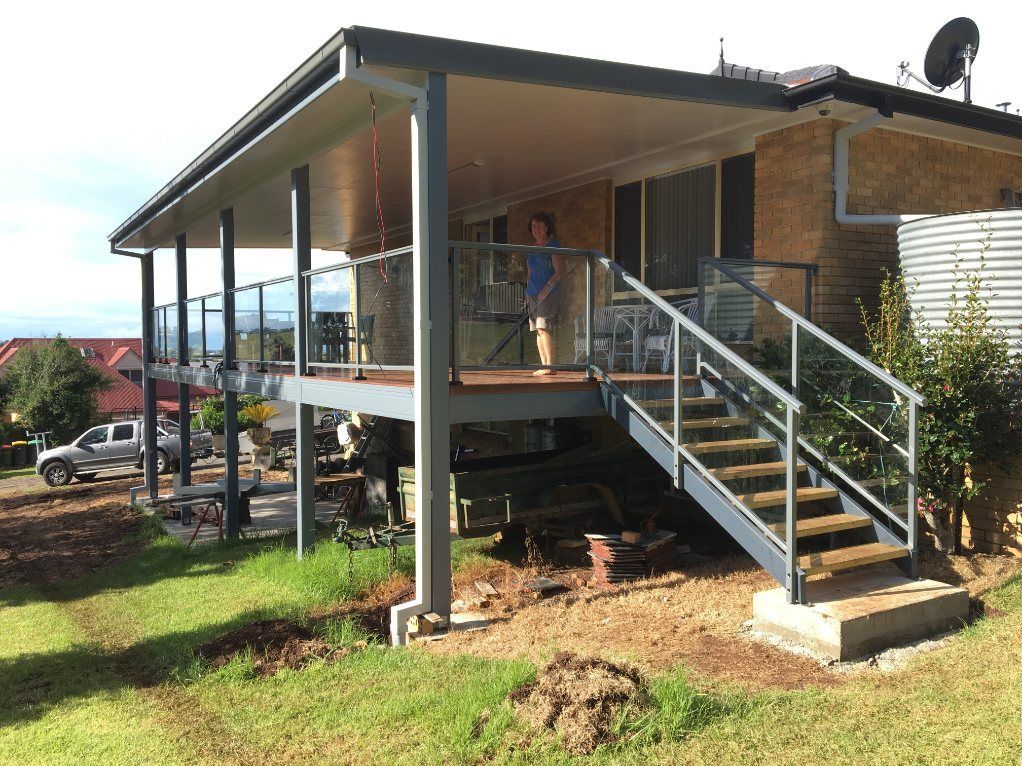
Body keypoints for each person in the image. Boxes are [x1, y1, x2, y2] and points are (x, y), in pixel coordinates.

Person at [524, 212, 566, 376]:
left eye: (540, 226)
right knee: (537, 329)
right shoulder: (531, 248)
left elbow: (560, 271)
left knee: (543, 327)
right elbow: (529, 272)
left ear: (547, 227)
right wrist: (527, 293)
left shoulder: (553, 245)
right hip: (532, 293)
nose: (536, 230)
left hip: (547, 294)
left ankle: (550, 366)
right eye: (534, 226)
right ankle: (544, 365)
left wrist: (547, 288)